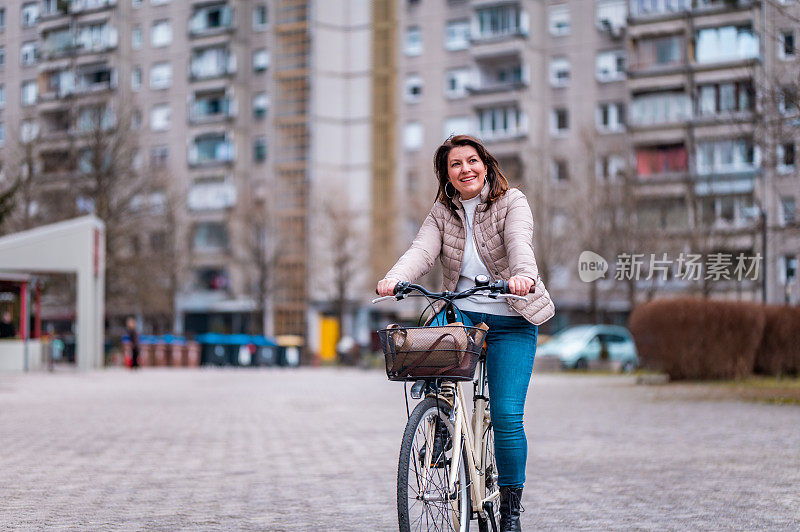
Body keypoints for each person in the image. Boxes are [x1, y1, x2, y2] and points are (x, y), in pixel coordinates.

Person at [377, 135, 555, 532]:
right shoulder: (442, 212)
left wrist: (524, 276)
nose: (465, 169)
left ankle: (510, 509)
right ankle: (441, 421)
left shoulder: (513, 203)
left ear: (487, 165)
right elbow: (422, 250)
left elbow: (519, 243)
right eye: (455, 165)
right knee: (423, 346)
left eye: (472, 161)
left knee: (507, 417)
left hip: (511, 318)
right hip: (462, 319)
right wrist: (394, 278)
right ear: (447, 175)